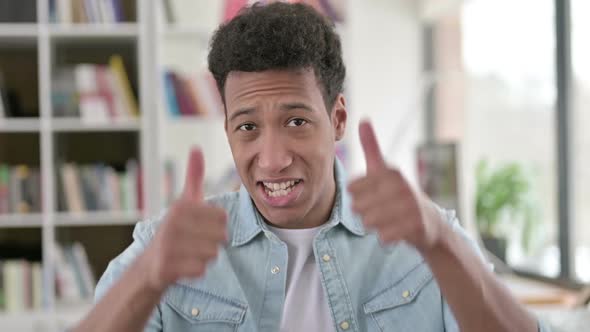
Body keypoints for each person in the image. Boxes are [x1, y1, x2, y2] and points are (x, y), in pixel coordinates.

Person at [75, 2, 550, 332]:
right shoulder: (166, 248)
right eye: (247, 128)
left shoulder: (426, 237)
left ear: (337, 118)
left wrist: (442, 246)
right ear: (226, 131)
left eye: (297, 121)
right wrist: (147, 280)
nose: (274, 157)